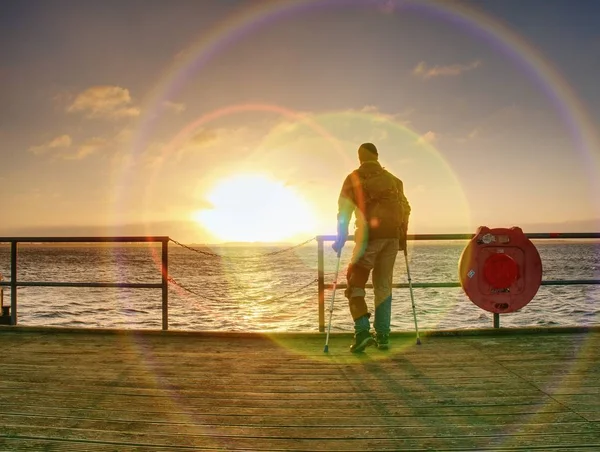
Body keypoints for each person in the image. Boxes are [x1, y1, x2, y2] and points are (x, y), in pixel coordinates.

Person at [332, 142, 411, 353]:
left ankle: (362, 332)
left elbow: (344, 211)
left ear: (359, 158)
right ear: (377, 156)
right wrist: (402, 238)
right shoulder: (395, 181)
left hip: (369, 238)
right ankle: (383, 336)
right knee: (383, 286)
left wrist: (341, 238)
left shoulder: (353, 178)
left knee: (354, 283)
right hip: (392, 239)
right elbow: (405, 209)